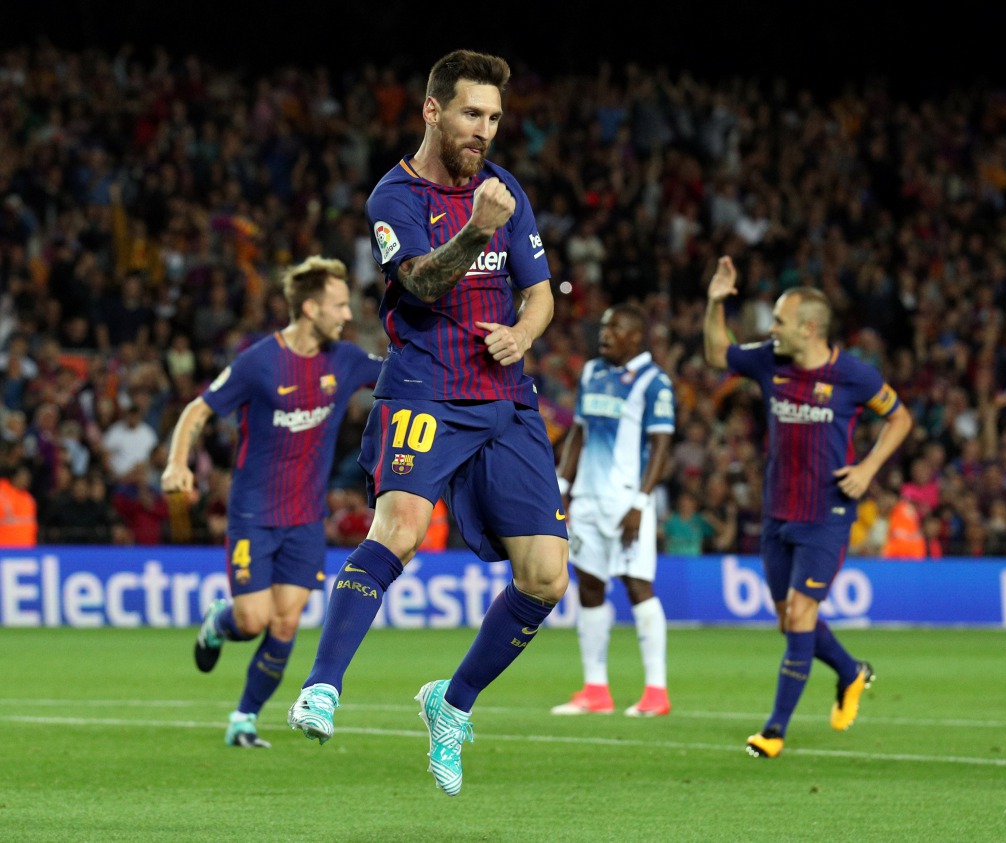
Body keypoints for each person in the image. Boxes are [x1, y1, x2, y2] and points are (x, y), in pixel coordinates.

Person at [286, 50, 569, 798]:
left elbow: (540, 292)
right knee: (401, 528)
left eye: (495, 117)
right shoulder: (395, 195)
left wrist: (524, 333)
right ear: (433, 111)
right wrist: (476, 232)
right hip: (424, 386)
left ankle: (453, 702)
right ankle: (322, 686)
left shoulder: (505, 188)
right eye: (472, 113)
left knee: (546, 576)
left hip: (504, 396)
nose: (485, 130)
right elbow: (417, 284)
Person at [162, 255, 380, 748]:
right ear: (310, 308)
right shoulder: (259, 362)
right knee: (252, 620)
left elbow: (402, 373)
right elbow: (198, 410)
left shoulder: (345, 360)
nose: (348, 315)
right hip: (253, 514)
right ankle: (219, 624)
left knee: (285, 622)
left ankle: (244, 718)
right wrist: (177, 463)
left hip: (306, 519)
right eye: (339, 305)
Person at [703, 256, 913, 760]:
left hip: (826, 515)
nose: (771, 329)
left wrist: (868, 469)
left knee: (800, 615)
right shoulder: (769, 360)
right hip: (777, 512)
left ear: (809, 328)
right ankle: (850, 671)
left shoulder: (852, 375)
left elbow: (900, 418)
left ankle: (774, 731)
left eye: (779, 321)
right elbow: (715, 353)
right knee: (788, 619)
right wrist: (714, 303)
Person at [551, 303, 675, 717]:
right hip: (587, 497)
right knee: (589, 585)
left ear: (635, 337)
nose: (604, 334)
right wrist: (564, 486)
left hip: (627, 500)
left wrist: (641, 502)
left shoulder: (654, 382)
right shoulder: (591, 373)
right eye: (603, 326)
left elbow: (661, 446)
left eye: (614, 328)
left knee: (638, 586)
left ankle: (656, 692)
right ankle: (595, 690)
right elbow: (578, 433)